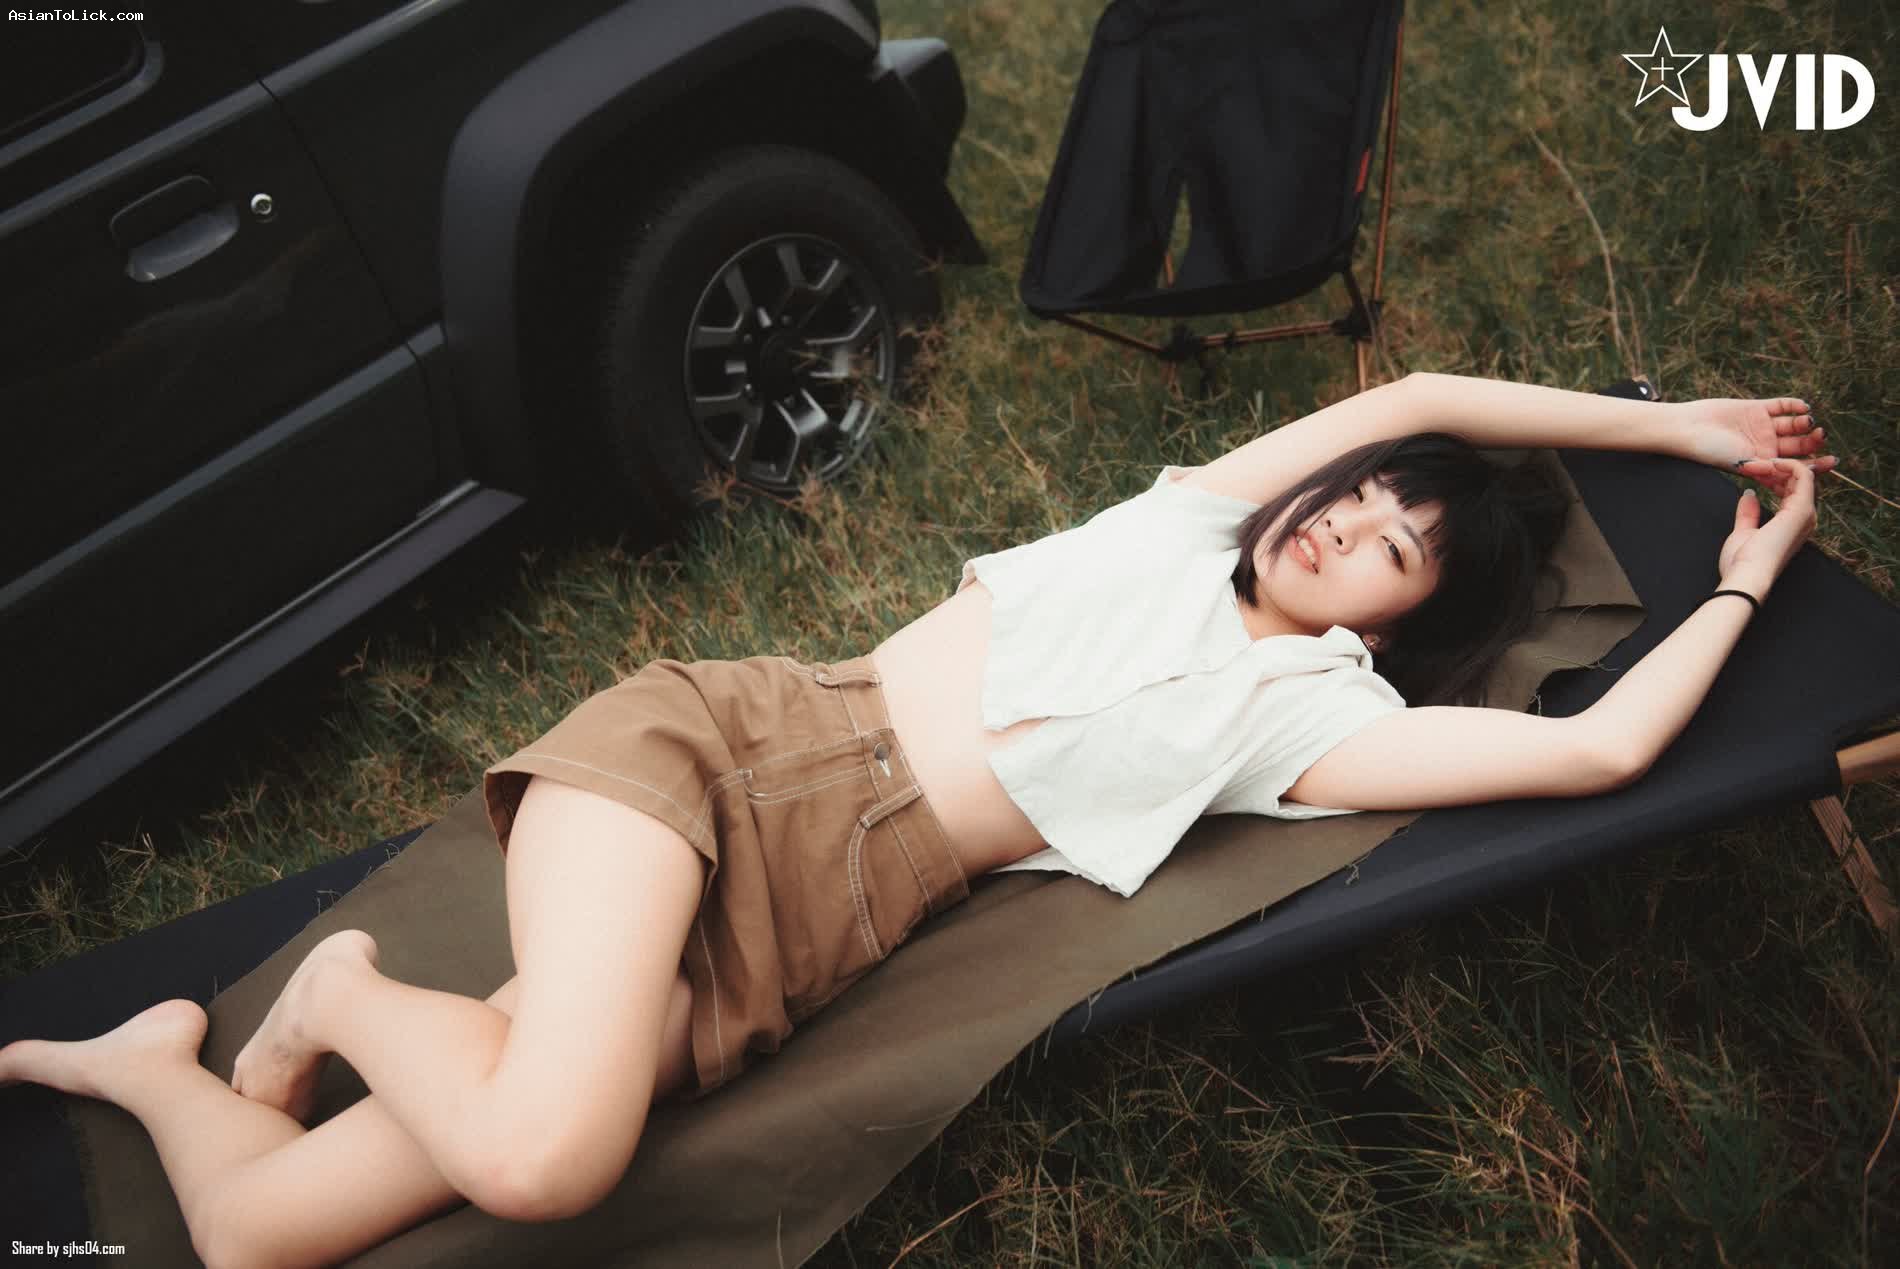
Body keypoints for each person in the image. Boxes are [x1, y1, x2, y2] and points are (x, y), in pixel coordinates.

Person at [0, 372, 1833, 1267]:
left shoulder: (1314, 725)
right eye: (1356, 498)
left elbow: (1603, 753)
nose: (1346, 520)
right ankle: (338, 990)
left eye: (1393, 550)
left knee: (253, 1241)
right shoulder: (1181, 524)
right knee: (548, 1159)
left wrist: (1744, 581)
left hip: (812, 936)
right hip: (734, 761)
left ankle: (154, 1066)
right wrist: (1679, 428)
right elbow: (1420, 394)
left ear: (1402, 624)